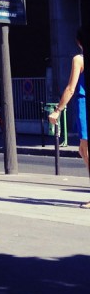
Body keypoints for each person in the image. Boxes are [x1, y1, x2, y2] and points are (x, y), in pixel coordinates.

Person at [49, 27, 88, 206]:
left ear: (79, 41)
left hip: (84, 106)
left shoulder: (79, 59)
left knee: (85, 151)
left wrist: (58, 110)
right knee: (83, 150)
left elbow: (71, 88)